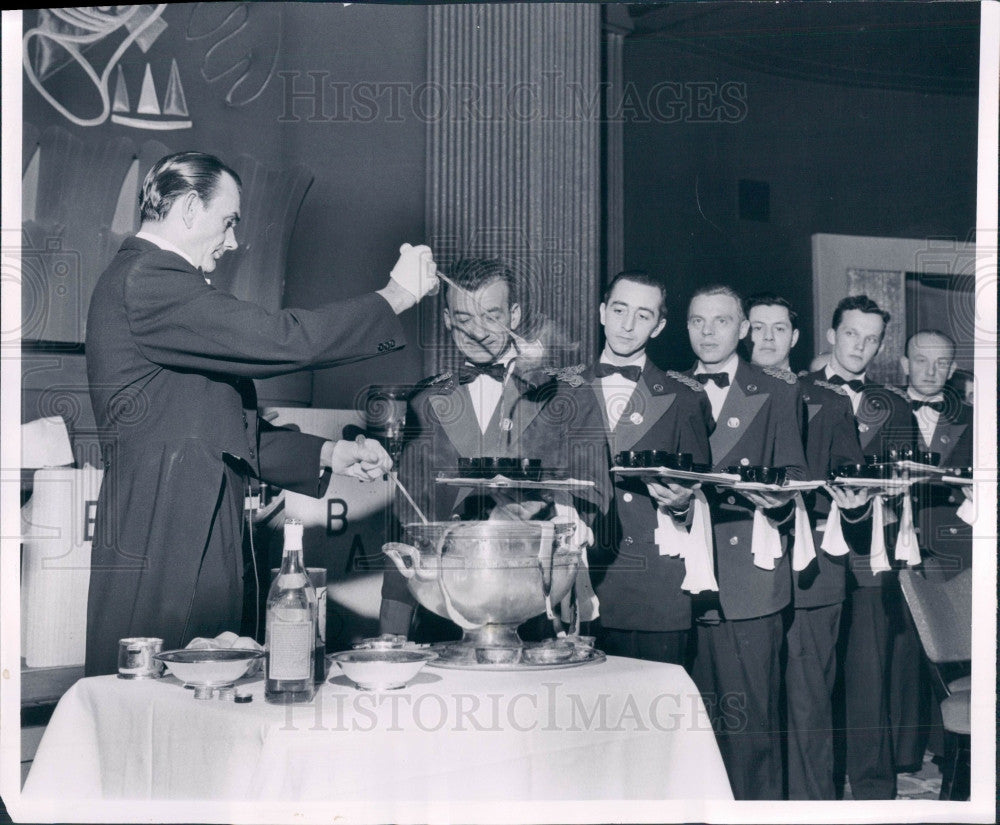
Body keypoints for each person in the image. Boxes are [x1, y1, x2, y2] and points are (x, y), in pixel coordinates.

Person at [84, 151, 439, 676]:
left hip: (191, 523)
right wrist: (395, 297)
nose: (232, 243)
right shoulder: (148, 279)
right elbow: (280, 339)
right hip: (167, 533)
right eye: (227, 222)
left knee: (206, 694)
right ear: (186, 209)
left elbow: (225, 432)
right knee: (166, 698)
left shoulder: (159, 288)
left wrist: (330, 452)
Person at [379, 258, 608, 639]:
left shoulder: (568, 395)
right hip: (446, 606)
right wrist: (393, 628)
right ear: (448, 320)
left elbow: (595, 488)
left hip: (535, 601)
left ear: (515, 315)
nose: (479, 332)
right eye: (464, 319)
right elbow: (408, 518)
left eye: (492, 316)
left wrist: (553, 510)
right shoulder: (426, 399)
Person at [683, 285, 807, 800]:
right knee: (689, 730)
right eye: (697, 321)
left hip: (747, 583)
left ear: (743, 329)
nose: (708, 332)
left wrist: (773, 499)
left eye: (721, 321)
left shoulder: (776, 391)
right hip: (677, 585)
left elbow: (796, 472)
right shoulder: (665, 388)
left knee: (751, 729)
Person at [747, 293, 870, 799]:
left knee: (809, 703)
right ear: (741, 333)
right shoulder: (713, 397)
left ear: (796, 339)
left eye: (780, 328)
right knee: (748, 709)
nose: (768, 338)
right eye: (757, 328)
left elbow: (855, 490)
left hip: (813, 571)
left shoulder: (830, 401)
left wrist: (856, 505)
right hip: (738, 574)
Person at [816, 294, 918, 798]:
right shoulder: (796, 393)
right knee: (813, 676)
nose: (860, 345)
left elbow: (913, 471)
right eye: (851, 334)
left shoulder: (893, 404)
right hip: (812, 553)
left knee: (869, 671)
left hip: (870, 553)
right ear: (831, 334)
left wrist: (901, 489)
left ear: (881, 346)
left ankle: (875, 789)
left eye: (872, 338)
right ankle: (820, 783)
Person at [582, 271, 712, 666]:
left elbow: (699, 488)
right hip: (577, 582)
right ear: (603, 312)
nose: (627, 325)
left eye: (643, 315)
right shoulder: (560, 389)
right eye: (619, 310)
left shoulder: (684, 397)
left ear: (659, 326)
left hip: (654, 589)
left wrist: (683, 504)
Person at [901, 330, 973, 579]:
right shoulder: (879, 408)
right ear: (905, 364)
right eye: (921, 360)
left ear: (952, 369)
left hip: (952, 548)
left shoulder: (974, 417)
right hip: (891, 546)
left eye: (941, 363)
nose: (931, 372)